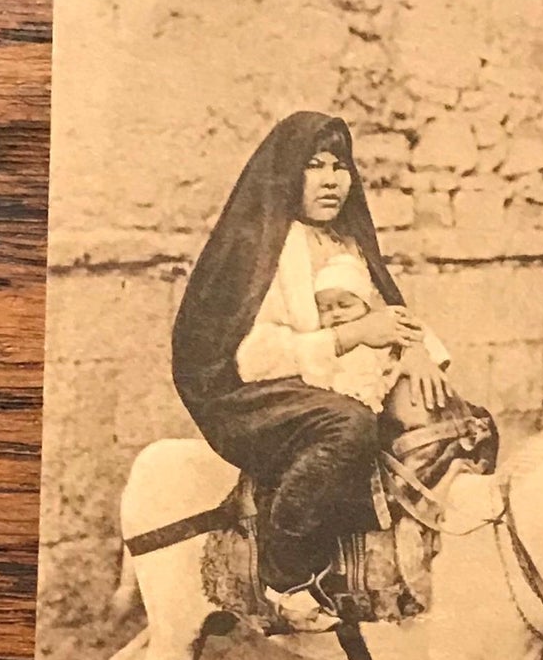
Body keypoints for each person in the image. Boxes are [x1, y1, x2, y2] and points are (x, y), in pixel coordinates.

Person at [171, 111, 451, 632]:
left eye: (339, 166)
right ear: (288, 176)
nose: (330, 180)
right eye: (314, 166)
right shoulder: (266, 247)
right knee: (350, 426)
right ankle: (285, 574)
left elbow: (386, 309)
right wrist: (352, 336)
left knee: (461, 420)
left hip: (332, 383)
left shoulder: (346, 242)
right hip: (247, 397)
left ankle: (404, 569)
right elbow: (253, 358)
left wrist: (414, 351)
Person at [309, 255, 400, 414]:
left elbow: (414, 333)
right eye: (326, 309)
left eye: (344, 306)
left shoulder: (379, 331)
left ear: (366, 305)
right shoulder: (326, 341)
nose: (336, 314)